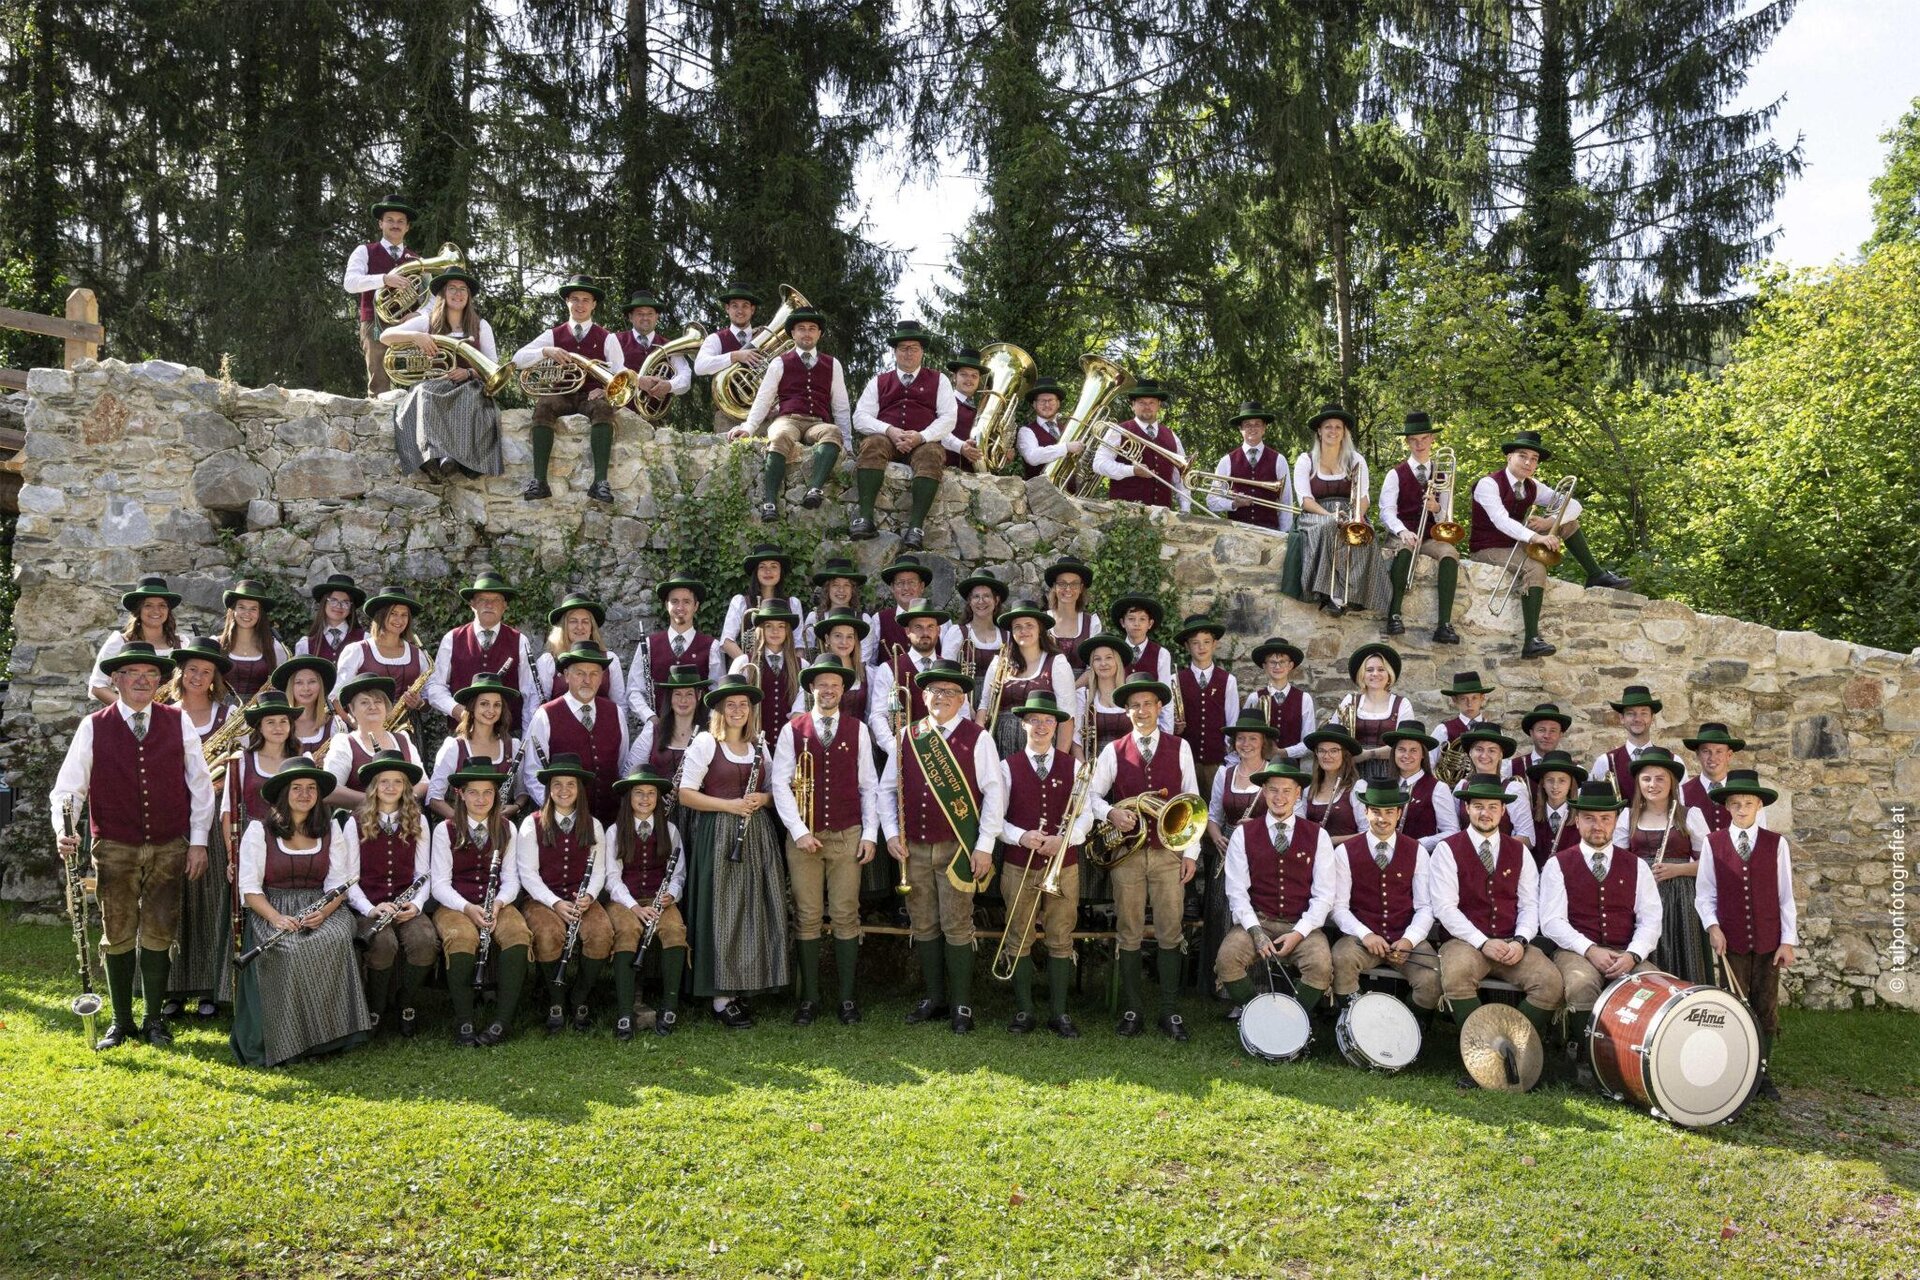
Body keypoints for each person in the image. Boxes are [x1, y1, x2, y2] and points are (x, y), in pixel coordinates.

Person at [51, 641, 215, 1050]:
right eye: (133, 674)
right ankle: (121, 1022)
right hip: (115, 845)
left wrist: (198, 842)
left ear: (160, 681)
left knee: (161, 930)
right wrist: (63, 828)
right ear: (116, 680)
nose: (142, 681)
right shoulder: (94, 725)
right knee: (118, 932)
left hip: (168, 844)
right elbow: (68, 789)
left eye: (150, 674)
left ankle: (154, 1020)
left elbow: (200, 786)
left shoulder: (178, 721)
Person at [878, 659, 1006, 1033]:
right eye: (935, 691)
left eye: (950, 692)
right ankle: (935, 998)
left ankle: (962, 1005)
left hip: (957, 848)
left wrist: (983, 847)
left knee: (956, 923)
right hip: (913, 848)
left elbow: (994, 795)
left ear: (962, 698)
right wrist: (890, 834)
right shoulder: (908, 736)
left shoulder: (978, 737)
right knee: (924, 923)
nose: (942, 697)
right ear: (924, 694)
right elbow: (887, 791)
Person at [229, 757, 370, 1066]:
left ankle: (328, 1037)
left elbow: (339, 884)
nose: (305, 794)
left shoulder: (330, 828)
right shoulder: (259, 830)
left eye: (311, 788)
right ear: (284, 793)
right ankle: (288, 1041)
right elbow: (250, 889)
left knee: (331, 940)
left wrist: (325, 912)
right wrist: (276, 918)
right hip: (273, 907)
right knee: (289, 950)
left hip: (323, 907)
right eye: (297, 788)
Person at [1089, 673, 1200, 1040]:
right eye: (1134, 705)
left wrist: (1191, 854)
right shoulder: (1114, 750)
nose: (1141, 710)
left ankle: (1170, 1011)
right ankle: (1133, 1009)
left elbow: (1193, 802)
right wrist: (1111, 814)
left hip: (1169, 853)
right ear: (1126, 710)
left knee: (1170, 932)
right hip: (1128, 856)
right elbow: (1090, 796)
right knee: (1129, 931)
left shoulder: (1179, 747)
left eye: (1148, 704)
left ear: (1159, 707)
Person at [770, 656, 879, 1025]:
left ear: (843, 690)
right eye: (821, 684)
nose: (828, 690)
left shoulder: (858, 729)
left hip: (847, 833)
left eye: (835, 684)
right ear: (810, 689)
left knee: (847, 914)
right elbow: (780, 785)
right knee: (807, 916)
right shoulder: (793, 729)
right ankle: (810, 998)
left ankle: (847, 1000)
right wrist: (798, 831)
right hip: (806, 838)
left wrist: (870, 834)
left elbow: (869, 786)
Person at [678, 674, 788, 1028]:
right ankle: (720, 996)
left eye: (743, 704)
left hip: (756, 834)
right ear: (720, 711)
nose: (738, 710)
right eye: (731, 705)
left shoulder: (760, 746)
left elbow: (775, 790)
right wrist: (730, 805)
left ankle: (745, 985)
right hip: (720, 832)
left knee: (753, 907)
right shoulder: (707, 743)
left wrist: (763, 798)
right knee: (723, 908)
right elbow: (685, 793)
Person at [1429, 774, 1563, 1061]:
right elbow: (1445, 908)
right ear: (1467, 809)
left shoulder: (1519, 851)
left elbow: (1529, 904)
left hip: (1511, 941)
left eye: (1492, 806)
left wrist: (1520, 940)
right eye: (1478, 806)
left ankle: (1513, 1048)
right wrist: (1482, 942)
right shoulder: (1447, 848)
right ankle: (1481, 1054)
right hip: (1464, 941)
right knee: (1456, 975)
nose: (1485, 813)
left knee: (1550, 982)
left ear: (1503, 811)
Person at [1540, 780, 1662, 1089]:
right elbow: (1551, 921)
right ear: (1577, 820)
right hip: (1576, 950)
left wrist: (1633, 954)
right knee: (1582, 985)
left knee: (1652, 987)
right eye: (1590, 818)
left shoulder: (1636, 866)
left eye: (1605, 818)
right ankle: (1583, 1059)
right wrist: (1589, 949)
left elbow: (1651, 920)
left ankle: (1638, 1062)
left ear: (1615, 821)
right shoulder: (1558, 865)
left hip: (1625, 949)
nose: (1598, 825)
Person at [1467, 430, 1629, 659]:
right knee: (1535, 567)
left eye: (1534, 459)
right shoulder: (1488, 484)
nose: (1528, 462)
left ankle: (1596, 574)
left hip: (1516, 543)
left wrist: (1550, 522)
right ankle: (1531, 640)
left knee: (1567, 523)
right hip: (1487, 548)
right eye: (1522, 456)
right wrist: (1536, 537)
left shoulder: (1532, 486)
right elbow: (1500, 520)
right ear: (1509, 457)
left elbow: (1574, 506)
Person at [1697, 769, 1796, 1102]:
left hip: (1769, 941)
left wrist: (1787, 941)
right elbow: (1705, 893)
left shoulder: (1776, 844)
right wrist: (1713, 927)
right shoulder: (1714, 844)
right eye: (1736, 803)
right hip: (1731, 940)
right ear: (1727, 806)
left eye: (1748, 803)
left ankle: (1762, 1074)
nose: (1742, 809)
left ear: (1758, 806)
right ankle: (1736, 1071)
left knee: (1765, 1007)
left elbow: (1786, 896)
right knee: (1734, 1006)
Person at [996, 692, 1092, 1038]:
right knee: (1019, 935)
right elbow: (995, 819)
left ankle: (1059, 1012)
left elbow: (1086, 816)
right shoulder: (1007, 767)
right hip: (1019, 863)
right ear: (1023, 724)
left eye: (1048, 720)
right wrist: (1022, 836)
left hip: (1063, 865)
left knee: (1060, 937)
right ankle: (1024, 1010)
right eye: (1034, 720)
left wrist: (1063, 840)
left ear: (1058, 726)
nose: (1041, 726)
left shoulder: (1075, 767)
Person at [1215, 762, 1335, 1019]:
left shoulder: (1318, 836)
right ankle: (1257, 1016)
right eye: (1272, 790)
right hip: (1260, 920)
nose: (1279, 797)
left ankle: (1293, 1020)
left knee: (1321, 965)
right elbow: (1236, 891)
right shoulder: (1243, 834)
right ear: (1264, 792)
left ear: (1298, 794)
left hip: (1302, 925)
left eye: (1286, 791)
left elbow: (1324, 896)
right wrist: (1255, 931)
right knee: (1227, 958)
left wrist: (1299, 933)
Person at [429, 764, 532, 1046]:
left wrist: (498, 904)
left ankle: (502, 1020)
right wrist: (467, 908)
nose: (481, 799)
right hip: (455, 904)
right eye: (473, 792)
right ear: (460, 794)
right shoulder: (444, 830)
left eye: (488, 792)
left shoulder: (507, 827)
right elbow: (439, 884)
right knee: (460, 937)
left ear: (496, 795)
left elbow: (511, 879)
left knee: (518, 934)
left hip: (496, 902)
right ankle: (465, 1020)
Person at [1330, 785, 1442, 1024]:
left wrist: (1409, 939)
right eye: (1376, 812)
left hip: (1404, 937)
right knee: (1341, 959)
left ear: (1399, 814)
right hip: (1361, 939)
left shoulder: (1417, 851)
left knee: (1433, 976)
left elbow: (1425, 906)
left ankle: (1407, 1027)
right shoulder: (1345, 852)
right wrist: (1366, 934)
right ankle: (1356, 1024)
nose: (1382, 819)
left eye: (1390, 812)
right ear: (1366, 812)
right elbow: (1338, 906)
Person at [344, 750, 436, 1038]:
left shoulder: (419, 821)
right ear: (374, 786)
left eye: (398, 782)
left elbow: (423, 874)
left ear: (406, 788)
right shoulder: (353, 821)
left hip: (406, 903)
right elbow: (348, 878)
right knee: (382, 944)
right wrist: (370, 908)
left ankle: (406, 1001)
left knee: (425, 941)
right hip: (369, 905)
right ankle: (377, 1005)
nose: (391, 787)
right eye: (384, 781)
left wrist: (417, 904)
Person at [518, 753, 612, 1033]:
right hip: (542, 899)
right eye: (557, 785)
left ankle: (580, 996)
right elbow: (528, 874)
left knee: (601, 933)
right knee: (548, 934)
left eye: (570, 784)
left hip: (582, 899)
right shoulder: (531, 824)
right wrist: (555, 903)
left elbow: (599, 870)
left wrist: (590, 897)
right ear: (549, 789)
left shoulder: (593, 824)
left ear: (579, 789)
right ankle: (556, 1000)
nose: (563, 791)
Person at [512, 274, 625, 504]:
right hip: (561, 393)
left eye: (585, 300)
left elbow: (620, 372)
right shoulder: (552, 335)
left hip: (592, 395)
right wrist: (545, 352)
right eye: (575, 299)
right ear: (567, 302)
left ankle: (600, 482)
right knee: (543, 406)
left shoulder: (607, 337)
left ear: (594, 304)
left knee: (604, 409)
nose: (580, 304)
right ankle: (539, 482)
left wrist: (605, 390)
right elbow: (517, 358)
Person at [731, 306, 851, 521]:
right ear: (793, 334)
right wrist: (748, 427)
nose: (807, 333)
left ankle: (814, 489)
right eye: (801, 328)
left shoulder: (833, 364)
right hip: (788, 418)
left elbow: (841, 406)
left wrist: (848, 443)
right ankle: (769, 501)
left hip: (817, 422)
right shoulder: (779, 362)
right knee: (779, 437)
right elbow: (764, 398)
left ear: (819, 334)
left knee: (833, 432)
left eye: (812, 328)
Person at [381, 267, 503, 478]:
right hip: (436, 382)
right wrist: (415, 337)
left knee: (469, 396)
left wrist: (469, 373)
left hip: (469, 383)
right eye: (452, 289)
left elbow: (492, 363)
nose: (458, 294)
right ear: (443, 294)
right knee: (422, 393)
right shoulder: (428, 321)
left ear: (469, 296)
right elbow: (385, 336)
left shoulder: (481, 326)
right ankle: (432, 455)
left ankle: (456, 457)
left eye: (463, 289)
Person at [850, 320, 958, 547]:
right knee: (872, 445)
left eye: (914, 348)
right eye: (903, 348)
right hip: (887, 438)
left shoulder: (940, 380)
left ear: (922, 352)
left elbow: (949, 418)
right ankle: (865, 518)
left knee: (931, 455)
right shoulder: (879, 381)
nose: (908, 353)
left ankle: (915, 528)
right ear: (895, 352)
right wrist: (888, 430)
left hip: (923, 440)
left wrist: (921, 436)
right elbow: (859, 417)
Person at [1612, 746, 1713, 983]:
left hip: (1681, 897)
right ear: (1638, 783)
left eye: (1660, 779)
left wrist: (1678, 869)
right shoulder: (1628, 816)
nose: (1652, 784)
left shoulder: (1690, 815)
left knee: (1684, 950)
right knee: (1649, 949)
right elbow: (1617, 861)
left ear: (1672, 783)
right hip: (1641, 895)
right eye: (1646, 779)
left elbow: (1710, 864)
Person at [604, 767, 689, 1039]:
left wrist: (671, 895)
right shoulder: (615, 831)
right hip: (624, 901)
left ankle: (669, 1006)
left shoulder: (671, 830)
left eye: (651, 793)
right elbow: (612, 879)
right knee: (627, 931)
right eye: (638, 793)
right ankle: (625, 1012)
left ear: (657, 798)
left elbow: (679, 874)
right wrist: (634, 907)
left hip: (658, 899)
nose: (645, 798)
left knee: (675, 930)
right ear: (629, 797)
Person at [1280, 403, 1386, 616]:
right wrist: (1330, 515)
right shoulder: (1306, 460)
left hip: (1351, 511)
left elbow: (1364, 497)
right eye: (1328, 426)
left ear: (1344, 432)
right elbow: (1305, 500)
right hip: (1316, 514)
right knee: (1329, 526)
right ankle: (1330, 594)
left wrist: (1356, 516)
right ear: (1319, 431)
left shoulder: (1356, 459)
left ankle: (1353, 594)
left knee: (1363, 535)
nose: (1333, 431)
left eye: (1338, 427)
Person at [522, 641, 629, 828]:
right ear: (566, 676)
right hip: (562, 825)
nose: (587, 680)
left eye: (594, 674)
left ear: (601, 678)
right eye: (580, 673)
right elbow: (532, 773)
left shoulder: (616, 713)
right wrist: (558, 811)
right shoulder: (545, 715)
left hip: (611, 823)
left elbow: (621, 765)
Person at [1378, 412, 1462, 642]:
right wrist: (1402, 530)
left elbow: (1446, 518)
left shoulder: (1442, 473)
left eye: (1424, 439)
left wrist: (1436, 509)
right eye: (1414, 440)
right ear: (1407, 442)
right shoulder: (1395, 474)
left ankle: (1444, 624)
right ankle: (1394, 614)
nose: (1420, 444)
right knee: (1405, 550)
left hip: (1430, 534)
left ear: (1432, 440)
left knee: (1450, 553)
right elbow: (1386, 511)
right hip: (1403, 532)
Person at [426, 572, 540, 734]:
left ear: (505, 606)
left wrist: (527, 738)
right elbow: (436, 687)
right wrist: (458, 711)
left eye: (496, 600)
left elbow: (530, 694)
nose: (489, 604)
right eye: (482, 600)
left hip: (506, 735)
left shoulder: (520, 641)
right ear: (472, 604)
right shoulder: (452, 639)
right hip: (463, 734)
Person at [341, 195, 422, 395]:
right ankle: (378, 423)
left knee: (416, 374)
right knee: (378, 380)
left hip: (408, 324)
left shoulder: (417, 259)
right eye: (390, 220)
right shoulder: (364, 251)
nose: (395, 225)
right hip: (375, 323)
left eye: (400, 221)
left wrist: (419, 315)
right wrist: (384, 279)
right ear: (380, 223)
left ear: (407, 227)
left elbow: (430, 296)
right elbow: (350, 283)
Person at [977, 599, 1077, 759]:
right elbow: (984, 706)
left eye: (1029, 625)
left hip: (1042, 743)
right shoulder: (1000, 662)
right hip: (998, 745)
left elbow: (1067, 716)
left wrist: (1060, 760)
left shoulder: (1056, 663)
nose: (1023, 630)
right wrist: (982, 742)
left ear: (1040, 629)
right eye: (1018, 627)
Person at [627, 572, 726, 724]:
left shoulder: (711, 646)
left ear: (696, 606)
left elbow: (718, 693)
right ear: (666, 605)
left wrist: (708, 723)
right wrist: (651, 718)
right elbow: (634, 691)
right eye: (674, 601)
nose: (680, 607)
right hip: (658, 732)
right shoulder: (648, 645)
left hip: (699, 734)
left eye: (686, 601)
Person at [322, 674, 427, 811]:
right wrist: (378, 802)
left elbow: (423, 783)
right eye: (364, 702)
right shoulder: (345, 743)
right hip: (359, 825)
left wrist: (402, 800)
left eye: (378, 701)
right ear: (352, 709)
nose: (373, 706)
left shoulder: (403, 739)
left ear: (386, 707)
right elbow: (330, 791)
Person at [428, 673, 524, 822]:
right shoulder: (454, 747)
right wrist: (466, 823)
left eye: (497, 705)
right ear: (472, 707)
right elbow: (434, 798)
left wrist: (516, 806)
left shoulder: (513, 746)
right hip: (462, 834)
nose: (491, 710)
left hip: (503, 830)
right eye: (484, 703)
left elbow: (522, 791)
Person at [333, 586, 429, 725]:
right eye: (393, 613)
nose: (399, 620)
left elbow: (428, 699)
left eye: (404, 615)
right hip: (367, 728)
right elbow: (336, 698)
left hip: (408, 729)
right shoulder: (357, 650)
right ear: (382, 615)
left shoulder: (417, 653)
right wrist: (355, 725)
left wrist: (419, 703)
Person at [1090, 379, 1189, 512]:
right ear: (1133, 405)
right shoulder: (1118, 430)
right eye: (1141, 402)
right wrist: (1132, 470)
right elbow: (1099, 464)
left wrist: (1185, 508)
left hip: (1163, 514)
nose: (1147, 407)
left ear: (1159, 405)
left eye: (1152, 402)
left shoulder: (1172, 436)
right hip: (1125, 513)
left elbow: (1180, 477)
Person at [866, 603, 949, 758]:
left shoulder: (949, 669)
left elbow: (961, 714)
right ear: (907, 631)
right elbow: (878, 716)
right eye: (918, 627)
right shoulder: (888, 669)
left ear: (938, 631)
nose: (925, 632)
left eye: (930, 627)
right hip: (902, 756)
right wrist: (894, 748)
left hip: (943, 757)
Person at [88, 575, 182, 705]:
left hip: (172, 720)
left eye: (162, 605)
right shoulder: (119, 642)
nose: (156, 610)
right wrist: (131, 710)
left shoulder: (182, 643)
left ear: (168, 610)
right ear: (139, 610)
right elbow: (97, 687)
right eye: (148, 605)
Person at [1329, 642, 1414, 784]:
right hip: (1352, 771)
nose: (1375, 674)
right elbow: (1333, 738)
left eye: (1381, 669)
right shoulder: (1350, 701)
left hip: (1390, 772)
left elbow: (1406, 745)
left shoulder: (1402, 704)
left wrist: (1366, 754)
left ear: (1389, 674)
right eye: (1369, 670)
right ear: (1362, 675)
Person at [1172, 614, 1237, 799]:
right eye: (1195, 643)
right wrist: (1175, 727)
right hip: (1185, 761)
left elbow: (1232, 722)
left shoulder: (1228, 680)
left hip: (1216, 761)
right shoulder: (1176, 680)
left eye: (1206, 642)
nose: (1201, 647)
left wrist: (1228, 758)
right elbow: (1168, 721)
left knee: (1215, 810)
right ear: (1186, 646)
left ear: (1214, 644)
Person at [1203, 401, 1293, 531]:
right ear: (1240, 429)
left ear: (1264, 428)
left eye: (1257, 424)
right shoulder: (1226, 461)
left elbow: (1286, 502)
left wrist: (1285, 535)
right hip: (1236, 532)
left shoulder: (1279, 460)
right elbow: (1211, 501)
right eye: (1247, 425)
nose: (1252, 428)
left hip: (1270, 532)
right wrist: (1233, 503)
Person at [692, 284, 769, 432]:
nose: (740, 310)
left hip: (763, 416)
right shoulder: (716, 339)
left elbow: (780, 372)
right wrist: (735, 356)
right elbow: (699, 367)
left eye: (745, 306)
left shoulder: (765, 337)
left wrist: (775, 405)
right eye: (735, 306)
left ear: (752, 310)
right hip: (728, 417)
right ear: (727, 309)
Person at [535, 593, 630, 711]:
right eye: (573, 621)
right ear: (563, 626)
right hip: (561, 728)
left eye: (585, 621)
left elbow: (620, 706)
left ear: (591, 628)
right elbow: (537, 707)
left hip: (603, 728)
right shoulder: (548, 661)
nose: (580, 627)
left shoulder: (610, 659)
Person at [1448, 723, 1538, 848]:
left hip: (1503, 861)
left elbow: (1528, 837)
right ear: (1470, 753)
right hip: (1465, 860)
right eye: (1479, 749)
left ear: (1501, 754)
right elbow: (1453, 830)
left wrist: (1490, 850)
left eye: (1492, 750)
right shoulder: (1462, 786)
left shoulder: (1513, 789)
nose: (1484, 755)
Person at [612, 290, 692, 422]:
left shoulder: (669, 346)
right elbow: (612, 369)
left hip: (656, 418)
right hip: (620, 413)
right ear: (631, 317)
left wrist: (669, 385)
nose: (645, 318)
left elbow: (685, 376)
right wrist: (638, 380)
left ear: (657, 317)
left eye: (650, 313)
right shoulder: (615, 340)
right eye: (640, 314)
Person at [1379, 721, 1459, 852]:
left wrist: (1420, 844)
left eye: (1413, 750)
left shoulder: (1438, 788)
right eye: (1401, 749)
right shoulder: (1384, 786)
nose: (1406, 755)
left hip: (1421, 861)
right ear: (1394, 753)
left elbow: (1452, 832)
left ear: (1423, 754)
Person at [722, 544, 805, 663]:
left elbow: (798, 645)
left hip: (784, 671)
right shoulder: (740, 602)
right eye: (762, 567)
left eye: (774, 566)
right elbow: (727, 641)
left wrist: (792, 670)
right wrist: (749, 666)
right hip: (751, 673)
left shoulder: (793, 604)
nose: (768, 571)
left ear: (781, 571)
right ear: (756, 572)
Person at [729, 603, 807, 725]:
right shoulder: (743, 662)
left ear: (787, 631)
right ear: (761, 629)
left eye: (781, 626)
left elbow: (801, 712)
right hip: (751, 739)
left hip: (788, 739)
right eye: (768, 626)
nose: (775, 631)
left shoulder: (803, 665)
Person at [867, 553, 955, 658]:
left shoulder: (942, 623)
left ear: (922, 587)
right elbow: (870, 665)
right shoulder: (879, 620)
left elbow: (948, 662)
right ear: (892, 587)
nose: (906, 588)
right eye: (900, 583)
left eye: (912, 582)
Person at [1589, 684, 1672, 795]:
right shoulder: (1605, 762)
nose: (1637, 719)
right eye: (1630, 713)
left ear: (1652, 718)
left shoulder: (1672, 760)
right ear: (1622, 718)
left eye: (1644, 713)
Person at [1243, 637, 1315, 763]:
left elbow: (1308, 742)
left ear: (1290, 665)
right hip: (1259, 766)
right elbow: (1244, 734)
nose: (1277, 666)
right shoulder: (1254, 698)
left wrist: (1283, 753)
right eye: (1272, 662)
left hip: (1291, 768)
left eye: (1282, 662)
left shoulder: (1304, 699)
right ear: (1264, 666)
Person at [219, 579, 293, 702]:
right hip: (221, 716)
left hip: (259, 716)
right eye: (241, 607)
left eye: (253, 609)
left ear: (260, 614)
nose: (247, 613)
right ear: (233, 610)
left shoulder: (275, 648)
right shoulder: (217, 645)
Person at [1073, 634, 1134, 761]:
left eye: (1109, 658)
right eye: (1097, 659)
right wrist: (1085, 771)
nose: (1103, 663)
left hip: (1129, 766)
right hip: (1094, 767)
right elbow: (1076, 741)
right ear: (1092, 664)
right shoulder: (1083, 696)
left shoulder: (1130, 695)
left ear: (1117, 662)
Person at [801, 556, 873, 661]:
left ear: (853, 590)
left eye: (846, 585)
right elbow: (808, 655)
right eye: (835, 585)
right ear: (827, 589)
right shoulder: (814, 618)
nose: (841, 590)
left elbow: (864, 660)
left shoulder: (864, 620)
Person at [1680, 723, 1747, 833]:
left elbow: (1758, 835)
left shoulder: (1744, 792)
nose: (1713, 758)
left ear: (1729, 755)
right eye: (1706, 751)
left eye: (1719, 751)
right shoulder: (1682, 793)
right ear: (1697, 754)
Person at [1299, 727, 1364, 840]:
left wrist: (1332, 841)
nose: (1326, 756)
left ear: (1345, 754)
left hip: (1345, 855)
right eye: (1322, 750)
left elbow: (1367, 833)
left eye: (1333, 751)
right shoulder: (1309, 789)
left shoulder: (1358, 788)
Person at [269, 654, 340, 755]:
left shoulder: (334, 725)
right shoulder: (276, 724)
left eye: (312, 682)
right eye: (299, 682)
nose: (306, 688)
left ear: (320, 686)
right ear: (291, 687)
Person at [1016, 377, 1085, 480]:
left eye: (1051, 400)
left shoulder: (1067, 429)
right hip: (1039, 492)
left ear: (1058, 404)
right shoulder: (1026, 431)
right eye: (1042, 401)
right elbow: (1032, 457)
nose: (1047, 404)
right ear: (1034, 405)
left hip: (1070, 492)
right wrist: (1065, 447)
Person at [952, 571, 1010, 692]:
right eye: (976, 596)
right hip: (964, 702)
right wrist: (965, 708)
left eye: (986, 596)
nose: (981, 601)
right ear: (969, 601)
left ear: (996, 600)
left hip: (998, 702)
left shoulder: (1007, 636)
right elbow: (948, 672)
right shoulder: (957, 632)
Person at [295, 575, 368, 667]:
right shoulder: (306, 644)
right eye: (333, 600)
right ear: (324, 603)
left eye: (345, 602)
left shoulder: (365, 640)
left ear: (351, 608)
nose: (339, 606)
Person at [1043, 557, 1101, 671]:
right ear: (1054, 587)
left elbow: (1094, 668)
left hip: (1082, 687)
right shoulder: (1042, 621)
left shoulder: (1091, 623)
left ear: (1081, 588)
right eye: (1062, 583)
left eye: (1074, 584)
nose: (1068, 589)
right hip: (1046, 687)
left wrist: (1071, 688)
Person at [1429, 670, 1493, 773]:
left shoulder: (1493, 731)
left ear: (1482, 698)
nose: (1469, 704)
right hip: (1453, 788)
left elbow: (1502, 765)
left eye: (1474, 698)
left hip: (1485, 786)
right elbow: (1429, 762)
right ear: (1455, 700)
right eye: (1463, 698)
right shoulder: (1443, 730)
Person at [1528, 751, 1588, 861]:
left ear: (1571, 784)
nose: (1555, 786)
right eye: (1550, 780)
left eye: (1562, 780)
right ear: (1543, 784)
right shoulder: (1530, 817)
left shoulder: (1582, 818)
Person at [942, 347, 988, 473]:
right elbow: (939, 433)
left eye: (974, 376)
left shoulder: (981, 411)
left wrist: (1004, 456)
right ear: (954, 377)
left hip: (976, 476)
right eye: (964, 374)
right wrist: (961, 447)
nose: (969, 379)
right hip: (947, 473)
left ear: (979, 380)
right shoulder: (943, 402)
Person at [1507, 702, 1572, 782]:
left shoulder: (1573, 769)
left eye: (1553, 731)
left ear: (1560, 735)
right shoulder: (1512, 767)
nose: (1547, 736)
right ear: (1531, 733)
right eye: (1541, 730)